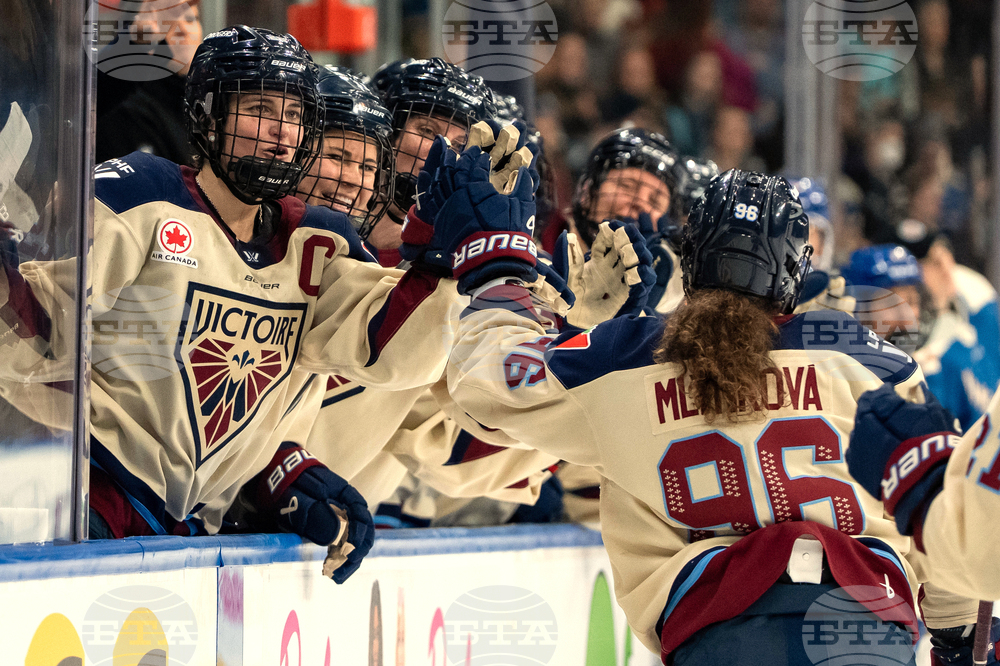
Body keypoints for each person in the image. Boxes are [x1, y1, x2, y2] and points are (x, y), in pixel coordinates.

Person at [441, 166, 981, 663]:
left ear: (693, 258)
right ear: (794, 270)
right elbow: (934, 496)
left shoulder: (622, 356)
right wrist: (955, 634)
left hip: (715, 628)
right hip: (864, 618)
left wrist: (499, 276)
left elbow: (487, 383)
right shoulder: (863, 356)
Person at [0, 27, 480, 584]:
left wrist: (443, 257)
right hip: (87, 494)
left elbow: (392, 352)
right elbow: (37, 330)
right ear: (207, 115)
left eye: (295, 115)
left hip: (195, 532)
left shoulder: (318, 243)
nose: (280, 133)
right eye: (258, 109)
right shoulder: (141, 195)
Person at [847, 385, 1000, 662]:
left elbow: (984, 552)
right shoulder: (894, 369)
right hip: (878, 605)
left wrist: (927, 485)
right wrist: (960, 629)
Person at [841, 244, 998, 431]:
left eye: (911, 301)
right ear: (856, 309)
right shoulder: (834, 374)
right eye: (890, 303)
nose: (907, 315)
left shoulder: (944, 366)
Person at [367, 57, 496, 260]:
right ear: (389, 133)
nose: (442, 151)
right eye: (427, 131)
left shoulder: (463, 254)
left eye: (458, 144)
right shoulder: (338, 226)